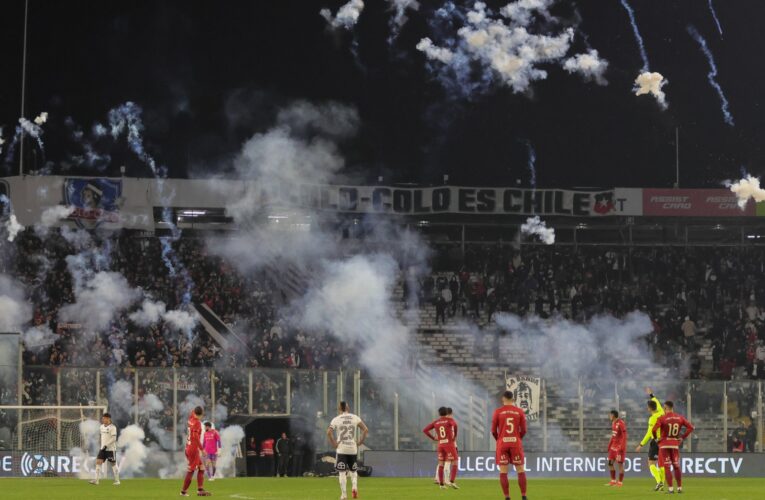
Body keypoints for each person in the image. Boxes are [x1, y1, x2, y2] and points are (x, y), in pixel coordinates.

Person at [327, 401, 369, 500]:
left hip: (341, 449)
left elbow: (329, 432)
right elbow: (366, 430)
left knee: (342, 472)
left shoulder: (336, 419)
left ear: (339, 409)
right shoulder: (355, 417)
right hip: (352, 449)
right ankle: (354, 487)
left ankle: (344, 495)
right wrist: (360, 442)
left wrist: (334, 443)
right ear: (347, 408)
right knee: (353, 471)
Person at [491, 391, 528, 500]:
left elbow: (493, 430)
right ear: (513, 399)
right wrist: (517, 438)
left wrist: (499, 439)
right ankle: (524, 496)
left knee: (503, 471)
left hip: (502, 443)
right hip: (515, 443)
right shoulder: (519, 411)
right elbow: (524, 430)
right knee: (520, 469)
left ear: (503, 399)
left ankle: (507, 497)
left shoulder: (497, 412)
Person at [652, 401, 694, 495]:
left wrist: (656, 439)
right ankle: (679, 488)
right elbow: (691, 427)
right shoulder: (680, 417)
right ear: (673, 407)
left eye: (664, 408)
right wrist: (682, 437)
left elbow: (653, 429)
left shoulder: (662, 418)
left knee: (667, 467)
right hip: (674, 444)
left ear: (666, 407)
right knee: (676, 466)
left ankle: (671, 489)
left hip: (664, 444)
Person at [635, 387, 666, 491]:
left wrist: (641, 444)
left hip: (656, 441)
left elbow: (649, 433)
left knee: (651, 463)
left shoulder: (652, 418)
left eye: (647, 407)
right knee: (661, 463)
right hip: (664, 441)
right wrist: (651, 395)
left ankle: (659, 482)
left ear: (649, 408)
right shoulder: (662, 412)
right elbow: (656, 401)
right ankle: (662, 484)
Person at [423, 407, 459, 489]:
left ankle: (441, 484)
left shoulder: (436, 422)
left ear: (439, 414)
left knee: (441, 464)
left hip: (440, 445)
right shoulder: (449, 420)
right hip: (449, 444)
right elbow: (455, 425)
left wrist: (433, 438)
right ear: (447, 412)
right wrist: (455, 436)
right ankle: (452, 481)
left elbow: (425, 430)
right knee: (455, 462)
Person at [180, 406, 211, 497]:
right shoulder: (197, 423)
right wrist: (202, 449)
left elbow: (193, 411)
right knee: (191, 470)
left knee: (201, 468)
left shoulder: (191, 418)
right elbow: (195, 437)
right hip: (193, 449)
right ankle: (183, 492)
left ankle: (200, 490)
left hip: (188, 447)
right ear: (201, 414)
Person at [89, 412, 120, 486]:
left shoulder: (113, 427)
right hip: (102, 449)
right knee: (98, 462)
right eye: (102, 418)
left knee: (113, 464)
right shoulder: (101, 427)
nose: (103, 419)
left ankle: (117, 480)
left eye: (104, 418)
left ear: (108, 419)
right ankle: (96, 480)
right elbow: (102, 437)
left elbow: (114, 439)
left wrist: (106, 445)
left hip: (110, 449)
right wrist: (102, 445)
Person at [605, 410, 627, 487]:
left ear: (613, 415)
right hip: (613, 447)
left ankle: (620, 482)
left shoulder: (621, 423)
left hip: (619, 447)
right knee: (610, 463)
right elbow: (613, 436)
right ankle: (613, 481)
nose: (609, 416)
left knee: (620, 465)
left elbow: (624, 436)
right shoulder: (613, 423)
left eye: (610, 415)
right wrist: (609, 445)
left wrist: (622, 446)